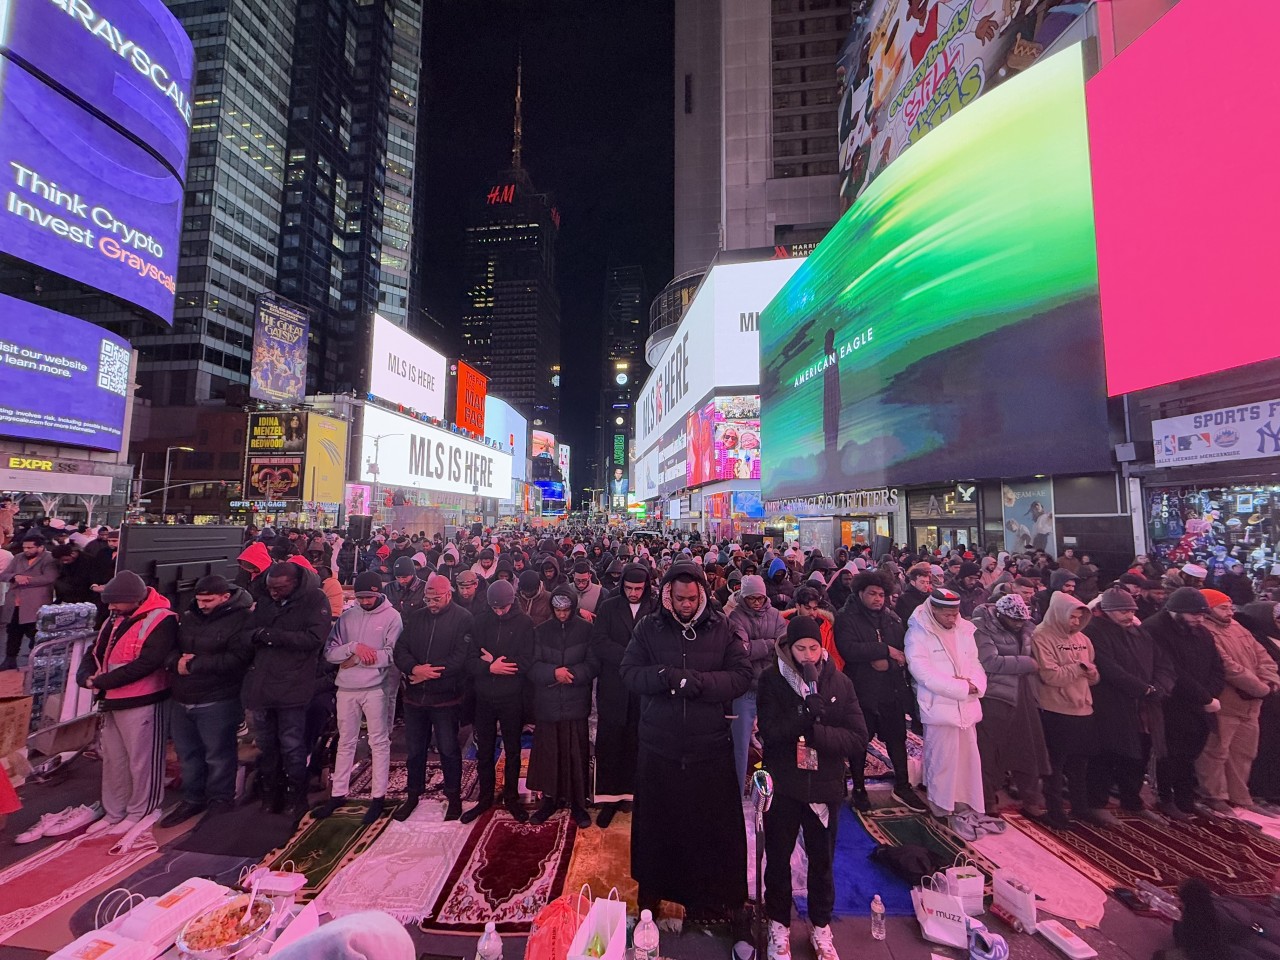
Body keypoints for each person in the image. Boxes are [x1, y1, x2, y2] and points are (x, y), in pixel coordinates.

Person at [621, 561, 752, 925]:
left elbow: (742, 676)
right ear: (667, 596)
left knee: (708, 828)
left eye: (692, 598)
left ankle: (706, 900)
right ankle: (651, 894)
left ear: (702, 595)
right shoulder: (649, 628)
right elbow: (629, 672)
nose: (686, 605)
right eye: (679, 599)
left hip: (707, 746)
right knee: (656, 828)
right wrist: (665, 677)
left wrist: (700, 684)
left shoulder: (721, 628)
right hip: (659, 745)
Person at [758, 617, 866, 960]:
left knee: (822, 861)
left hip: (824, 787)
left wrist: (819, 735)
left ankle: (821, 925)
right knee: (777, 858)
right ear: (789, 648)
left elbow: (857, 737)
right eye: (800, 648)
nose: (807, 656)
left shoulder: (840, 683)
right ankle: (778, 924)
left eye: (813, 647)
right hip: (786, 784)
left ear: (822, 648)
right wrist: (803, 716)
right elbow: (770, 734)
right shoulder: (772, 681)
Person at [76, 571, 177, 836]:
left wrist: (103, 681)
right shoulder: (116, 618)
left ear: (134, 599)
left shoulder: (163, 620)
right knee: (114, 760)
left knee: (142, 761)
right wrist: (85, 676)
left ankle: (141, 810)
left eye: (116, 603)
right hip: (112, 699)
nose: (111, 608)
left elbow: (148, 662)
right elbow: (95, 651)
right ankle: (114, 812)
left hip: (143, 699)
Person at [161, 574, 253, 828]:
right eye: (199, 599)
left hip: (218, 697)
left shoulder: (242, 619)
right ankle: (193, 798)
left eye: (208, 600)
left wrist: (194, 665)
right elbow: (169, 647)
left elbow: (239, 658)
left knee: (218, 755)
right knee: (188, 754)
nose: (202, 604)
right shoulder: (188, 616)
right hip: (183, 696)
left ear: (225, 597)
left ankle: (220, 801)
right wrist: (175, 663)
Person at [241, 562, 331, 819]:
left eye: (280, 588)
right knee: (267, 744)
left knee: (292, 745)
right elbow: (247, 633)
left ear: (294, 584)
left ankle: (296, 796)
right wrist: (262, 636)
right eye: (271, 588)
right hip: (262, 684)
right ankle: (270, 793)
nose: (274, 593)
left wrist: (270, 636)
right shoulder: (265, 600)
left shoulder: (315, 600)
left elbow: (314, 639)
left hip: (294, 684)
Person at [314, 572, 401, 825]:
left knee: (379, 742)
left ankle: (378, 796)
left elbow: (390, 656)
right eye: (361, 597)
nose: (364, 602)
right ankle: (338, 793)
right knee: (346, 742)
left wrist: (355, 659)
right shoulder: (347, 617)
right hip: (347, 689)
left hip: (376, 689)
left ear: (378, 594)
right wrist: (353, 648)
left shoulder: (392, 617)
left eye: (369, 597)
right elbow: (331, 653)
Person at [834, 571, 925, 812]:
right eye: (872, 594)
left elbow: (904, 653)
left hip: (891, 689)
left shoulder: (891, 618)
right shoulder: (847, 617)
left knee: (897, 739)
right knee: (859, 742)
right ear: (860, 593)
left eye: (881, 594)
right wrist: (883, 649)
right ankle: (859, 789)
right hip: (861, 691)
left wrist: (888, 660)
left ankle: (903, 786)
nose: (877, 599)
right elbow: (849, 649)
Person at [1085, 587, 1174, 824]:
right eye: (1122, 611)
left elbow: (1162, 662)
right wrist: (1142, 688)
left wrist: (1158, 687)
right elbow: (1108, 667)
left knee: (1139, 755)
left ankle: (1132, 799)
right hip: (1112, 704)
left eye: (1130, 610)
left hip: (1144, 706)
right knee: (1106, 754)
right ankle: (1096, 802)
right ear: (1107, 610)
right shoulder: (1095, 631)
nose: (1127, 615)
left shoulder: (1139, 632)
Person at [904, 589, 988, 837]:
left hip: (967, 705)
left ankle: (964, 801)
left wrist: (975, 685)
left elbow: (976, 664)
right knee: (942, 760)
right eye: (947, 614)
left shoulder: (965, 630)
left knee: (967, 758)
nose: (953, 619)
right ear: (934, 611)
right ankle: (941, 806)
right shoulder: (918, 633)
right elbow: (923, 673)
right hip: (938, 706)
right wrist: (961, 686)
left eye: (955, 613)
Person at [393, 573, 472, 821]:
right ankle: (413, 794)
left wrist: (428, 673)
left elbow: (460, 658)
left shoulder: (463, 619)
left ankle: (454, 797)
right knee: (415, 750)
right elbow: (401, 649)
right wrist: (414, 669)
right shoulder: (417, 618)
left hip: (446, 698)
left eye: (436, 599)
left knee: (449, 749)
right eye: (428, 599)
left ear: (448, 594)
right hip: (415, 698)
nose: (432, 603)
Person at [1195, 589, 1280, 814]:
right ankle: (1215, 796)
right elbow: (1228, 667)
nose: (1229, 611)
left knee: (1244, 753)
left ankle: (1240, 797)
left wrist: (1270, 681)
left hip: (1252, 705)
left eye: (1230, 607)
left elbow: (1264, 657)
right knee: (1217, 751)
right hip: (1226, 703)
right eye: (1223, 607)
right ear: (1208, 608)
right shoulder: (1205, 630)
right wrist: (1260, 687)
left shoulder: (1238, 627)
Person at [1144, 587, 1225, 819]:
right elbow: (1172, 671)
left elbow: (1217, 666)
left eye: (1202, 615)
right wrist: (1205, 698)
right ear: (1176, 611)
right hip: (1172, 703)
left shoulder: (1201, 632)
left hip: (1201, 705)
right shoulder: (1155, 629)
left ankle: (1186, 799)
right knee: (1169, 754)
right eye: (1194, 615)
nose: (1200, 619)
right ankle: (1165, 799)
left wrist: (1210, 695)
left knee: (1190, 754)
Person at [462, 578, 533, 824]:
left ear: (511, 603)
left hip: (512, 697)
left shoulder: (524, 623)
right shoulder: (480, 622)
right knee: (484, 750)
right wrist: (490, 667)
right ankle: (484, 797)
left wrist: (501, 663)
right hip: (484, 696)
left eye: (503, 608)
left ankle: (511, 798)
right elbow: (470, 660)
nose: (499, 612)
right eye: (495, 608)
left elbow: (528, 660)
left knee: (513, 750)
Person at [973, 593, 1050, 817]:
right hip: (994, 696)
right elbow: (988, 662)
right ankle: (988, 800)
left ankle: (1031, 799)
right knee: (989, 752)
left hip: (1024, 694)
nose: (1018, 625)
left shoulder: (1027, 628)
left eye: (1021, 621)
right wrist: (1027, 663)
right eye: (1014, 620)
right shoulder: (981, 628)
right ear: (1000, 614)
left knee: (1029, 749)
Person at [527, 587, 598, 827]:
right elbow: (532, 665)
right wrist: (553, 673)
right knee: (549, 753)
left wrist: (572, 674)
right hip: (548, 703)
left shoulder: (587, 630)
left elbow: (593, 663)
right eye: (557, 610)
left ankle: (579, 803)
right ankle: (550, 800)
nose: (562, 615)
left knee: (575, 754)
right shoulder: (541, 631)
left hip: (575, 701)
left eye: (566, 610)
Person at [590, 564, 655, 828]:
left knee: (638, 743)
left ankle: (635, 795)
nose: (633, 593)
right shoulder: (608, 606)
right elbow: (599, 641)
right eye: (629, 588)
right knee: (611, 743)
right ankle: (609, 799)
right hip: (614, 686)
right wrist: (629, 657)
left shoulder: (655, 608)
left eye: (638, 589)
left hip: (643, 687)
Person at [1032, 590, 1101, 828]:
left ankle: (1081, 807)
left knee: (1080, 764)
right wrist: (1079, 668)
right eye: (1072, 617)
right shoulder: (1041, 636)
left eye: (1079, 618)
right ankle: (1055, 811)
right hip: (1056, 709)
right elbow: (1050, 676)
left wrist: (1089, 673)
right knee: (1055, 765)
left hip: (1083, 708)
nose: (1075, 622)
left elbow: (1092, 676)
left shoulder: (1083, 640)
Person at [727, 574, 788, 796]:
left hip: (772, 686)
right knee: (740, 743)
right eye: (751, 598)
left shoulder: (775, 616)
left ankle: (776, 784)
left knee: (776, 737)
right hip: (746, 688)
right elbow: (741, 651)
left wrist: (760, 647)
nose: (756, 602)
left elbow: (784, 646)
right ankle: (735, 788)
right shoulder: (735, 617)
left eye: (759, 598)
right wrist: (769, 644)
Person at [0, 533, 58, 670]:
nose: (26, 550)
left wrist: (25, 580)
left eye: (30, 548)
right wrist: (16, 576)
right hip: (16, 602)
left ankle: (36, 661)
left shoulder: (49, 559)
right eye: (25, 547)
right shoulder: (18, 558)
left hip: (36, 602)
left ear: (41, 547)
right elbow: (4, 574)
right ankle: (10, 659)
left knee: (34, 633)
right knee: (13, 632)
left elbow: (49, 578)